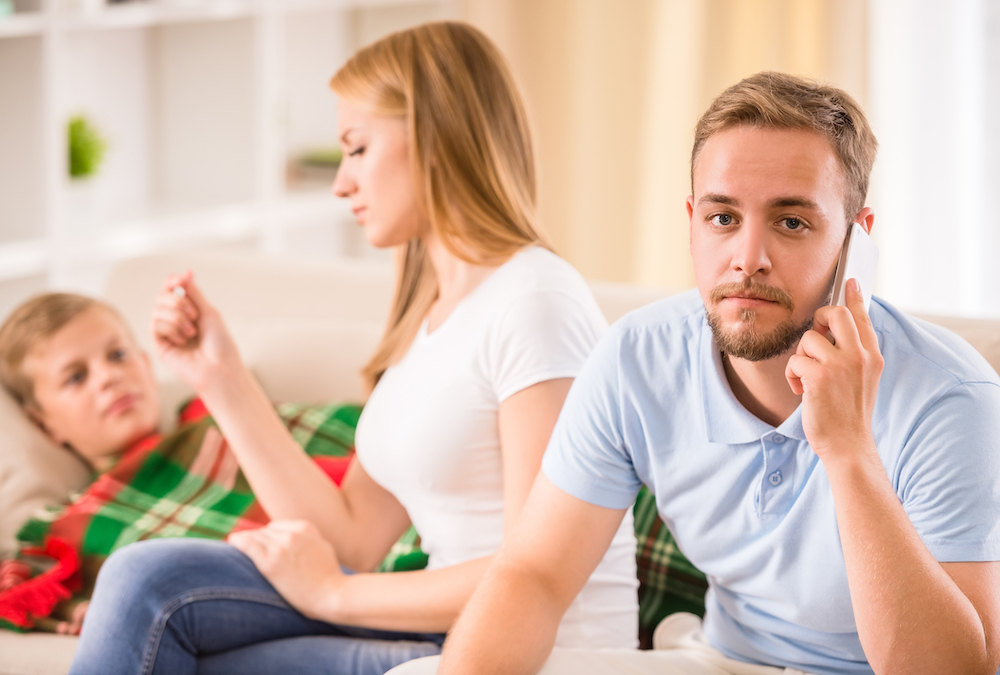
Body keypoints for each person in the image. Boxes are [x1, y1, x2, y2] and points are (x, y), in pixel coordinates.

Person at [67, 21, 638, 675]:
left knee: (170, 616)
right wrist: (218, 375)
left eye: (358, 148)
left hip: (524, 653)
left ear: (435, 136)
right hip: (448, 629)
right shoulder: (433, 316)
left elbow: (537, 571)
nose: (341, 183)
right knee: (147, 583)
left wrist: (334, 594)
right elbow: (352, 537)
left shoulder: (536, 301)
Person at [391, 72, 1000, 675]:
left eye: (791, 222)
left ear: (854, 240)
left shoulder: (951, 400)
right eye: (723, 218)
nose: (748, 260)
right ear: (691, 222)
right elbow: (535, 576)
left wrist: (849, 450)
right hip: (722, 662)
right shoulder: (636, 357)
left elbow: (953, 671)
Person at [0, 293, 161, 475]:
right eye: (76, 377)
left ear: (148, 367)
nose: (108, 376)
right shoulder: (104, 494)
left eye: (118, 355)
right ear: (44, 426)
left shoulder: (193, 406)